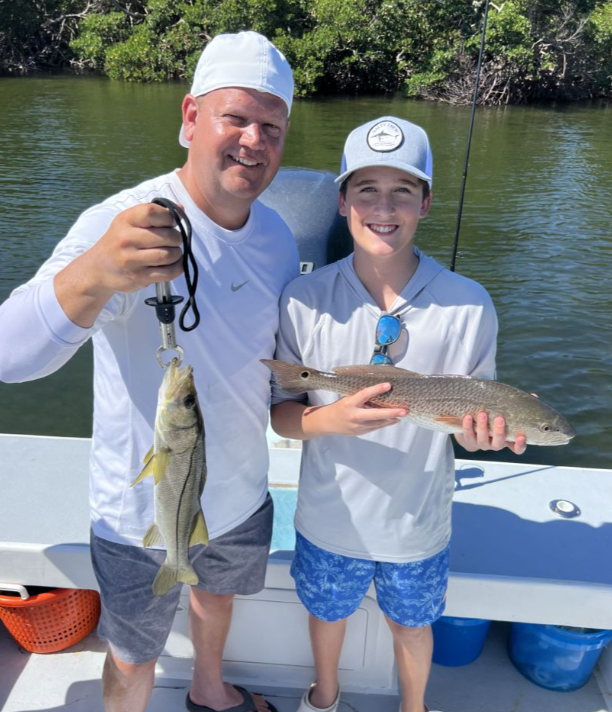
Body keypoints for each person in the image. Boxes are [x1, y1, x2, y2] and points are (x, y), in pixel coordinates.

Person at [0, 31, 299, 712]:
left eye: (272, 127)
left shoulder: (278, 237)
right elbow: (10, 357)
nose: (254, 140)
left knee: (215, 598)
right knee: (133, 654)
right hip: (142, 512)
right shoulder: (122, 222)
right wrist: (97, 272)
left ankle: (208, 689)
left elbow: (277, 370)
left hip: (243, 496)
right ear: (191, 118)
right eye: (236, 118)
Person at [269, 116, 527, 712]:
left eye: (403, 191)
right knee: (326, 615)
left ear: (426, 203)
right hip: (327, 516)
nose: (383, 207)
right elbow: (283, 414)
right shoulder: (303, 299)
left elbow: (473, 416)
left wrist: (483, 437)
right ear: (341, 201)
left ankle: (415, 707)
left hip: (417, 524)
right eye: (367, 189)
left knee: (413, 626)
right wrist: (328, 420)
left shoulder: (469, 304)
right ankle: (323, 697)